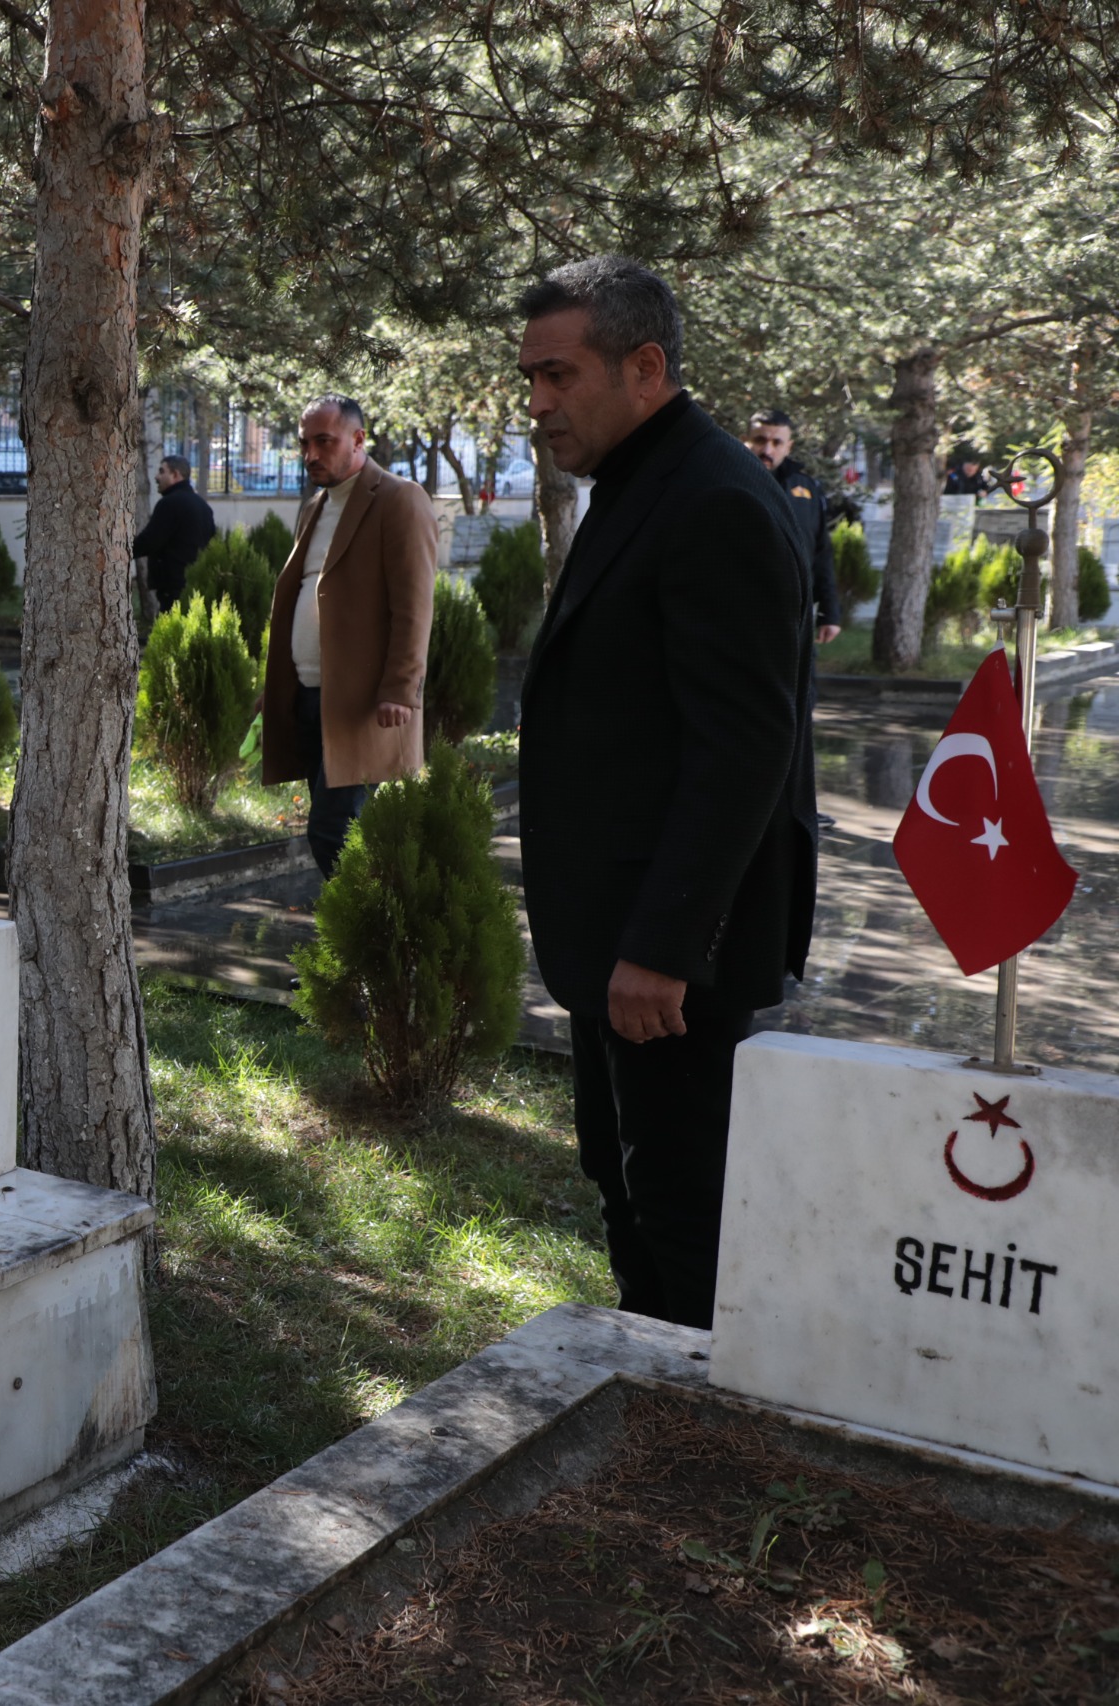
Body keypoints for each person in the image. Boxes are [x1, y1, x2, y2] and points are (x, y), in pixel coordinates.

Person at [515, 256, 816, 1330]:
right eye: (530, 380)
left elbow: (742, 750)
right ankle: (649, 1407)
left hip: (666, 966)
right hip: (621, 948)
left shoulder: (711, 499)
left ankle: (696, 1446)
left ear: (644, 367)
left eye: (558, 376)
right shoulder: (645, 481)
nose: (538, 404)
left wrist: (661, 945)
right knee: (630, 1187)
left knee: (687, 1219)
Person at [252, 395, 435, 877]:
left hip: (362, 704)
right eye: (304, 443)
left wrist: (400, 688)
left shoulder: (399, 498)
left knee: (331, 831)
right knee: (344, 829)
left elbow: (414, 605)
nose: (311, 453)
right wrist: (276, 687)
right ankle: (371, 931)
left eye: (324, 441)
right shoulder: (314, 506)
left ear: (358, 439)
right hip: (310, 696)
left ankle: (371, 934)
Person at [744, 409, 843, 643]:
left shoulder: (806, 489)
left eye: (776, 442)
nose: (767, 450)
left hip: (793, 613)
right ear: (745, 441)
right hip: (740, 613)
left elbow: (820, 551)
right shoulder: (724, 480)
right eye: (760, 440)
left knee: (800, 679)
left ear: (788, 446)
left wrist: (830, 613)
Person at [132, 454, 215, 611]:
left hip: (173, 586)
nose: (157, 477)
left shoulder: (169, 504)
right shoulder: (203, 506)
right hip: (196, 582)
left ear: (176, 475)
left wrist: (119, 552)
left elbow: (150, 540)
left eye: (162, 471)